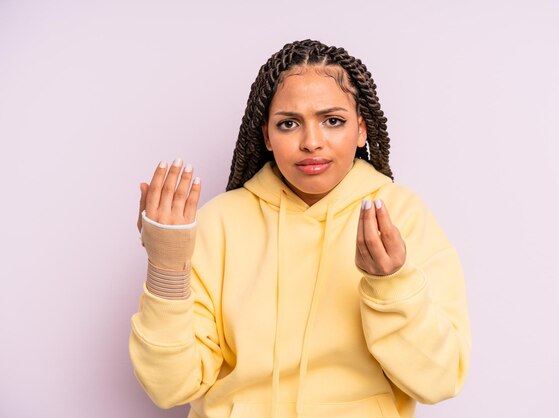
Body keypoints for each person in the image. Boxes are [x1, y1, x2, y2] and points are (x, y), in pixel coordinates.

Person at [129, 39, 471, 418]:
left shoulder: (400, 215)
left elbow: (439, 380)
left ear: (361, 130)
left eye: (333, 121)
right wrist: (165, 267)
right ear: (266, 137)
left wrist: (392, 283)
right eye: (289, 124)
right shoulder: (220, 222)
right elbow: (170, 387)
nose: (311, 142)